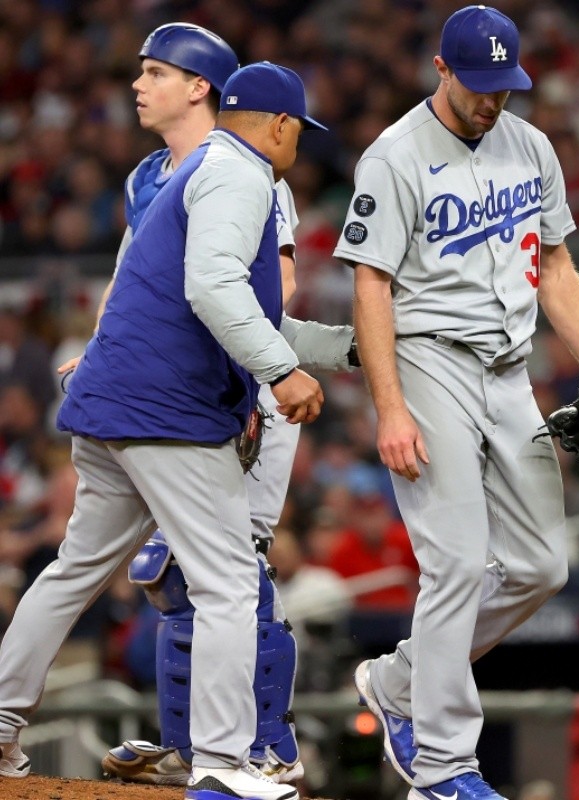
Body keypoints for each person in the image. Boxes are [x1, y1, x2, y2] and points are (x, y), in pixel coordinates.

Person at [333, 6, 579, 799]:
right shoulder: (395, 156)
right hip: (427, 360)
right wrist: (390, 407)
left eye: (504, 86)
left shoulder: (530, 145)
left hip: (508, 369)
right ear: (442, 68)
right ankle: (442, 764)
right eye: (477, 85)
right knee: (459, 562)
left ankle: (401, 683)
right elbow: (370, 284)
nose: (490, 101)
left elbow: (557, 268)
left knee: (542, 565)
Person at [0, 59, 327, 800]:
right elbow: (215, 288)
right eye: (298, 132)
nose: (299, 147)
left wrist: (342, 348)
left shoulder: (181, 175)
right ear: (277, 124)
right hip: (165, 406)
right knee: (229, 583)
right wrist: (281, 371)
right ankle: (221, 762)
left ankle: (0, 725)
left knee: (74, 569)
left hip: (110, 400)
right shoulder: (244, 175)